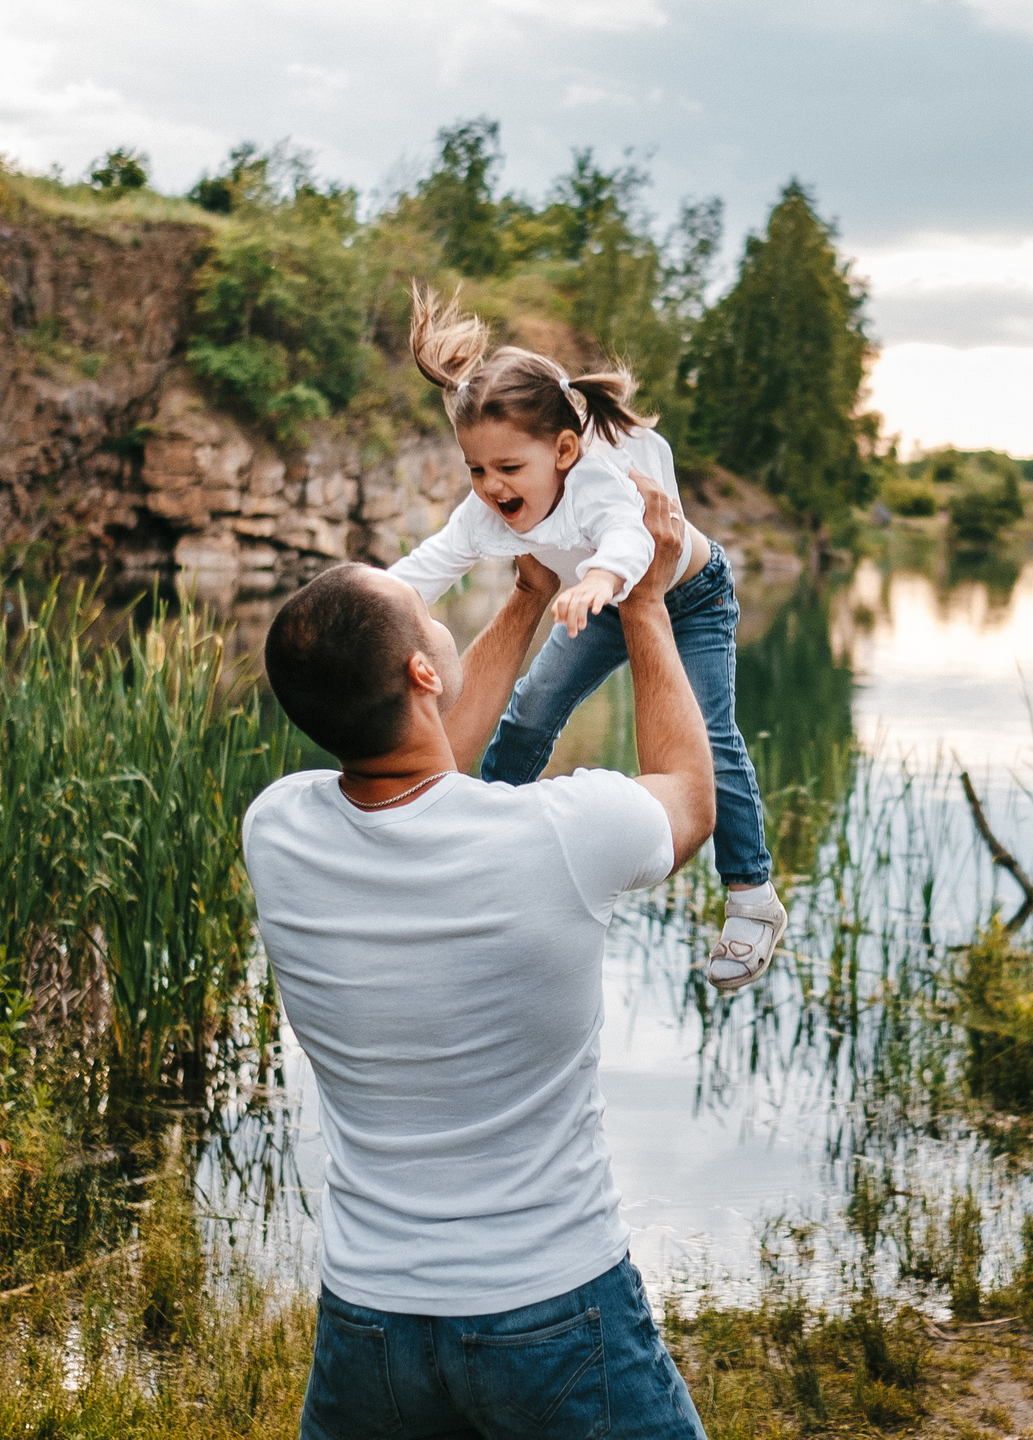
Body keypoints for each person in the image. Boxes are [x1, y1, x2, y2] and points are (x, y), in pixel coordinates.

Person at [244, 477, 713, 1439]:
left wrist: (529, 593)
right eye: (426, 612)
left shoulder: (278, 829)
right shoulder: (562, 835)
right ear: (423, 673)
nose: (436, 611)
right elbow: (688, 796)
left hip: (368, 1324)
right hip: (551, 1304)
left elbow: (422, 777)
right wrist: (649, 606)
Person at [385, 282, 784, 992]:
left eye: (509, 469)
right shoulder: (485, 512)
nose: (491, 487)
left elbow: (633, 536)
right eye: (477, 469)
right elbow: (424, 570)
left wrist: (601, 580)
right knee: (533, 707)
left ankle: (752, 894)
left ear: (565, 449)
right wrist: (364, 600)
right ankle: (480, 839)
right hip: (591, 603)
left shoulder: (597, 478)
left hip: (686, 595)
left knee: (712, 733)